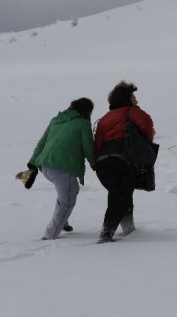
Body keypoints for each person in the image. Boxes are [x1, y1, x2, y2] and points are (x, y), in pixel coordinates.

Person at [94, 81, 155, 243]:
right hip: (121, 162)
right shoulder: (133, 112)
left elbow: (98, 142)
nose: (136, 100)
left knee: (123, 195)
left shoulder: (105, 118)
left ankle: (129, 229)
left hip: (103, 164)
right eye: (133, 97)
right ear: (126, 99)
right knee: (118, 198)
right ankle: (106, 236)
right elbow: (147, 127)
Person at [28, 98, 96, 240]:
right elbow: (88, 148)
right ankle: (50, 236)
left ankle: (63, 221)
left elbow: (42, 142)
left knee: (71, 191)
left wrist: (33, 162)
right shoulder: (82, 124)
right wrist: (95, 163)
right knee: (67, 201)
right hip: (61, 168)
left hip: (45, 165)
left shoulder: (56, 120)